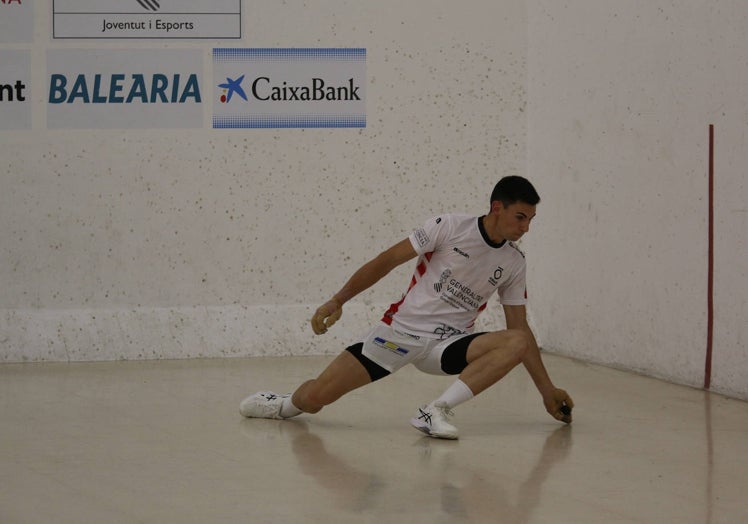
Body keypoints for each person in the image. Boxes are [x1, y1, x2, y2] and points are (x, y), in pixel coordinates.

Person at [240, 176, 573, 439]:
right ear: (496, 207)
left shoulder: (514, 262)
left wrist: (547, 391)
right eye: (520, 217)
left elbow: (520, 327)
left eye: (530, 219)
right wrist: (338, 300)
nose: (525, 227)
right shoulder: (448, 227)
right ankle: (282, 405)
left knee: (517, 339)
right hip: (400, 335)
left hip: (448, 346)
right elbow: (386, 261)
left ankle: (435, 412)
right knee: (315, 399)